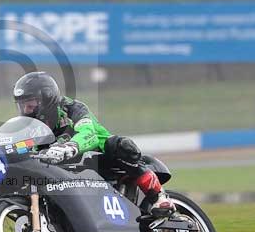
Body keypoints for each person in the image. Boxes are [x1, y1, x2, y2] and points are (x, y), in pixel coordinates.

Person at [12, 71, 174, 217]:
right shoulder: (33, 128)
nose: (26, 110)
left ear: (47, 98)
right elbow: (25, 148)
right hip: (71, 172)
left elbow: (88, 133)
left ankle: (159, 197)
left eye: (30, 104)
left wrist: (69, 148)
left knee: (120, 145)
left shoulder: (73, 108)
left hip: (101, 157)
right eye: (22, 105)